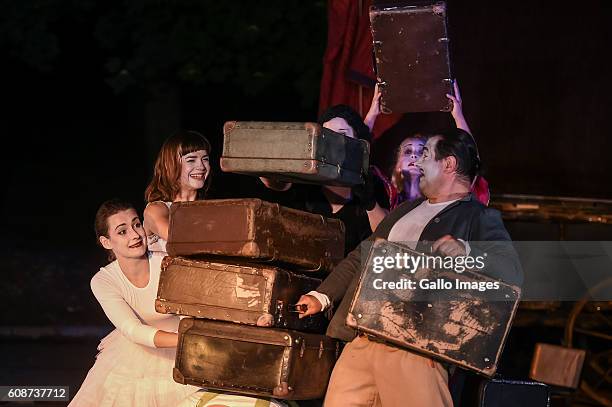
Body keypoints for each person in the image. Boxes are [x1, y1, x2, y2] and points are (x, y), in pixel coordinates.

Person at [296, 128, 523, 407]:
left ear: (449, 164)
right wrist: (323, 295)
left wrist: (466, 250)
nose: (417, 163)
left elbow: (510, 270)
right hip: (364, 338)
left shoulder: (478, 217)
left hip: (416, 351)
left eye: (426, 154)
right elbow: (362, 255)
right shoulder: (406, 210)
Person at [69, 199, 198, 406]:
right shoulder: (103, 281)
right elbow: (132, 330)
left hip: (187, 352)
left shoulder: (169, 262)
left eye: (137, 225)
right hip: (138, 354)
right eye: (122, 232)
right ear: (107, 242)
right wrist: (186, 339)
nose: (135, 235)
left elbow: (198, 305)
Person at [260, 104, 389, 255]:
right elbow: (275, 182)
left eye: (342, 134)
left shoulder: (371, 183)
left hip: (352, 273)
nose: (335, 141)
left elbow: (386, 237)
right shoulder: (308, 179)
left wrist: (370, 203)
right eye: (328, 135)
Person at [144, 130, 212, 254]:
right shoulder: (156, 210)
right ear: (169, 164)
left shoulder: (210, 209)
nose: (201, 166)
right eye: (191, 160)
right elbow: (183, 242)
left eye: (205, 159)